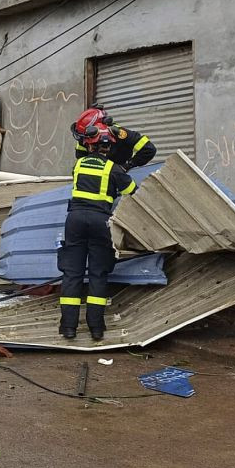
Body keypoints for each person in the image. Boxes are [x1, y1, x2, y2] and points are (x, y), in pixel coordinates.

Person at [59, 121, 137, 342]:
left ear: (89, 145)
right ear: (108, 147)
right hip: (100, 222)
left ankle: (68, 328)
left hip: (74, 221)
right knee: (97, 274)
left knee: (72, 274)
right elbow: (131, 191)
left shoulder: (79, 165)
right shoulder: (113, 168)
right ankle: (96, 329)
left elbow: (80, 155)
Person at [72, 105, 157, 170]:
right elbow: (80, 157)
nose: (84, 141)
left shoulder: (120, 134)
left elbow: (148, 149)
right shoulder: (84, 136)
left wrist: (128, 165)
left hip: (118, 177)